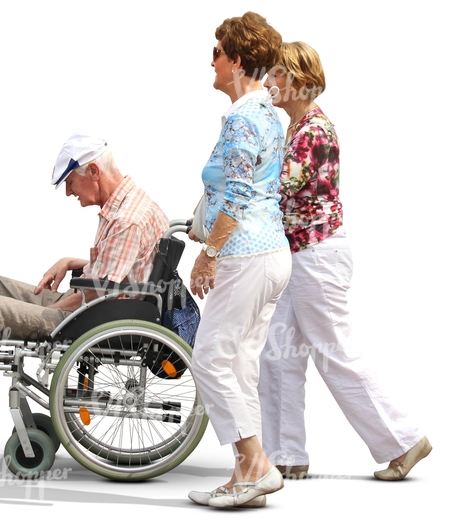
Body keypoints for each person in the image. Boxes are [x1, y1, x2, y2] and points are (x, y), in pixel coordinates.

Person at [0, 132, 169, 444]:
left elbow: (100, 292)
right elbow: (123, 269)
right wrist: (71, 261)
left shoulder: (126, 220)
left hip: (91, 315)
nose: (68, 192)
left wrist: (49, 310)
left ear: (93, 171)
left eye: (69, 182)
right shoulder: (127, 205)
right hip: (93, 302)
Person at [259, 41, 431, 481]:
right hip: (298, 254)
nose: (268, 82)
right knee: (278, 356)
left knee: (334, 353)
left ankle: (405, 440)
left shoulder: (314, 130)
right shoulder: (295, 129)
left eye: (277, 75)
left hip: (317, 256)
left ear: (298, 81)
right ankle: (285, 455)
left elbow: (280, 185)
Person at [186, 12, 292, 509]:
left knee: (209, 357)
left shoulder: (243, 118)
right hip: (271, 252)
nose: (211, 60)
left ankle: (256, 465)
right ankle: (243, 478)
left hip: (245, 253)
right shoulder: (270, 113)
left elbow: (237, 198)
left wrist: (208, 255)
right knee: (239, 364)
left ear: (238, 61)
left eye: (217, 52)